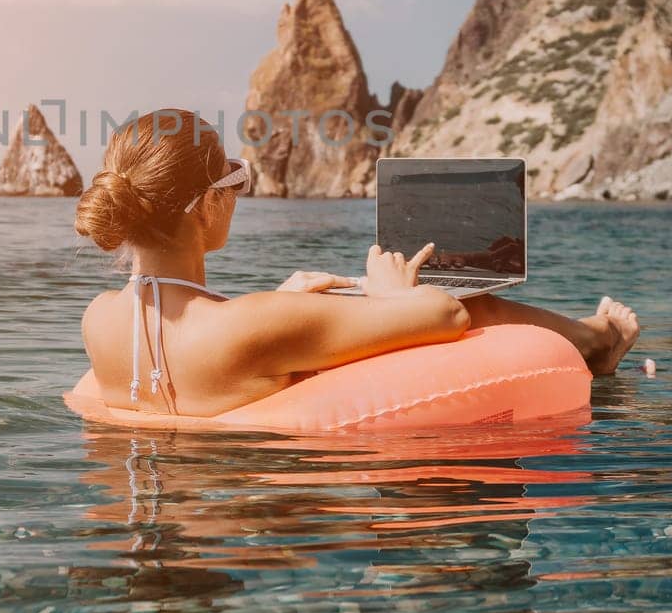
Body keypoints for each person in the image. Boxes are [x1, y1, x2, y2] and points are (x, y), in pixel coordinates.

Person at [75, 109, 641, 418]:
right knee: (479, 301)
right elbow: (447, 316)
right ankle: (598, 339)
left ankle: (595, 339)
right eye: (235, 178)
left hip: (179, 504)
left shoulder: (98, 319)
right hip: (281, 515)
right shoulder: (249, 324)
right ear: (207, 204)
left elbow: (208, 337)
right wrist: (389, 290)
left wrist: (277, 306)